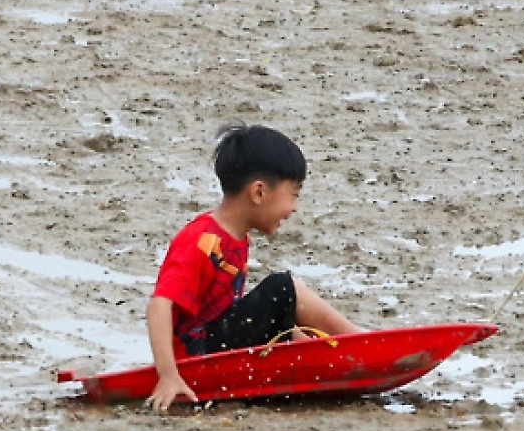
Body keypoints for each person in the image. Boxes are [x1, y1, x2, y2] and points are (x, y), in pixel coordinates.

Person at [145, 123, 363, 411]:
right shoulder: (201, 240)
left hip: (217, 346)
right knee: (283, 289)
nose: (294, 207)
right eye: (293, 194)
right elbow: (159, 306)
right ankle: (361, 343)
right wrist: (169, 375)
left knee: (276, 306)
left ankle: (330, 350)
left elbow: (238, 316)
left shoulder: (236, 238)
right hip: (199, 359)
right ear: (259, 192)